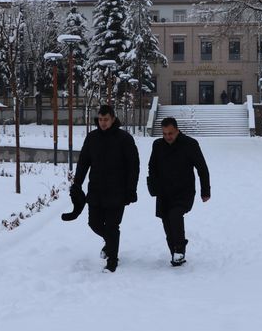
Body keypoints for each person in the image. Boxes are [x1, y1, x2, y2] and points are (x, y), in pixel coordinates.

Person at [66, 105, 139, 273]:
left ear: (113, 119)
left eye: (106, 119)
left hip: (117, 191)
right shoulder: (92, 138)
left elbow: (133, 166)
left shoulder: (124, 139)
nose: (103, 123)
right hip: (96, 189)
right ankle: (111, 243)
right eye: (100, 119)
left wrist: (131, 189)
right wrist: (77, 183)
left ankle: (112, 259)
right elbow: (83, 162)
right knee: (94, 223)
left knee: (113, 226)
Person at [147, 117, 210, 267]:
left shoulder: (190, 144)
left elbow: (202, 168)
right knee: (166, 222)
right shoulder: (157, 145)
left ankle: (180, 249)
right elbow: (152, 167)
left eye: (171, 133)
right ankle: (175, 254)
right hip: (164, 192)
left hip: (184, 191)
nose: (168, 137)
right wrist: (153, 185)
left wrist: (205, 191)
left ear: (177, 130)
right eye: (164, 134)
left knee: (175, 215)